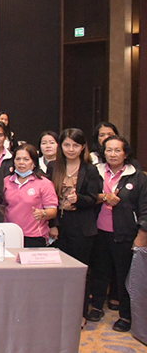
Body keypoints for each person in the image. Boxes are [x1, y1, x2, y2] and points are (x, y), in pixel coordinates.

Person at [87, 135, 147, 332]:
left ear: (125, 153)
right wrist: (103, 197)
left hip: (124, 234)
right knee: (99, 272)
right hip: (98, 231)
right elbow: (86, 196)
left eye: (117, 150)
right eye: (108, 150)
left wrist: (142, 233)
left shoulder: (137, 176)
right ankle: (96, 307)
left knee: (124, 277)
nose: (112, 154)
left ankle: (126, 316)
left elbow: (144, 208)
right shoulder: (95, 172)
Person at [47, 128, 102, 318]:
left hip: (82, 226)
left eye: (75, 145)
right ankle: (59, 311)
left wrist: (78, 198)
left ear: (83, 147)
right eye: (67, 145)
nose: (71, 149)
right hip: (59, 224)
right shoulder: (53, 167)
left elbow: (93, 198)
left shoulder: (90, 169)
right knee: (58, 271)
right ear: (61, 146)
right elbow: (48, 198)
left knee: (80, 272)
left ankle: (80, 313)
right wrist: (52, 224)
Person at [2, 143, 58, 247]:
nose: (21, 163)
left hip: (34, 236)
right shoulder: (6, 181)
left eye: (26, 159)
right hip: (10, 234)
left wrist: (43, 213)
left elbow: (53, 211)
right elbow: (2, 206)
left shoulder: (44, 183)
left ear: (34, 163)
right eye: (18, 159)